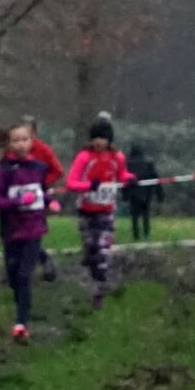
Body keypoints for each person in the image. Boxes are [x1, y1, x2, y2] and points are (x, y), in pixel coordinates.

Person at [0, 121, 54, 344]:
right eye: (16, 140)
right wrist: (18, 201)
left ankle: (21, 323)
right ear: (9, 144)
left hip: (34, 228)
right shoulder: (4, 171)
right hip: (12, 231)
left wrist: (50, 202)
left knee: (24, 276)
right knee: (13, 277)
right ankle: (21, 311)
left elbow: (41, 193)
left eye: (25, 139)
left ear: (31, 142)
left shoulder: (39, 168)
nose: (21, 144)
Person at [64, 114, 133, 308]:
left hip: (107, 211)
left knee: (103, 250)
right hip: (86, 211)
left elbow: (122, 175)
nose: (98, 142)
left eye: (102, 138)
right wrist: (87, 186)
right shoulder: (84, 157)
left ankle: (101, 289)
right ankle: (93, 277)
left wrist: (130, 178)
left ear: (109, 139)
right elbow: (71, 182)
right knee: (91, 250)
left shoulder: (117, 157)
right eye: (95, 138)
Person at [22, 115, 65, 282]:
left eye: (28, 132)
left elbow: (58, 171)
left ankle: (40, 263)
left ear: (34, 132)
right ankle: (35, 263)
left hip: (38, 198)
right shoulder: (13, 150)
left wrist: (41, 183)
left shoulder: (42, 149)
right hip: (18, 199)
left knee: (33, 232)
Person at [123, 144, 162, 241]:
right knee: (146, 214)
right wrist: (159, 193)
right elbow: (155, 178)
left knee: (134, 216)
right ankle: (146, 234)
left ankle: (136, 235)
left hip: (133, 193)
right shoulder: (148, 164)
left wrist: (125, 195)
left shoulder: (128, 165)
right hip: (146, 193)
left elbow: (124, 181)